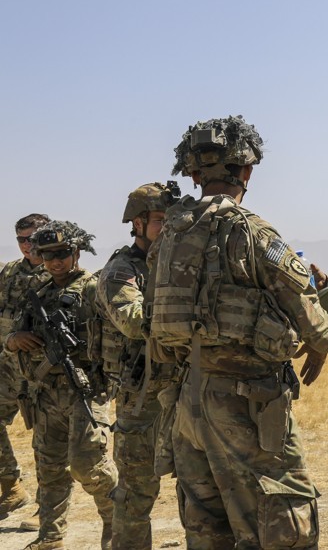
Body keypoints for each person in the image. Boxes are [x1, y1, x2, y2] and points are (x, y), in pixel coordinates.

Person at [148, 115, 328, 549]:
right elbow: (310, 318)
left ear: (193, 173)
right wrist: (323, 343)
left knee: (208, 526)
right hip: (246, 401)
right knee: (279, 517)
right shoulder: (251, 231)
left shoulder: (171, 233)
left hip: (189, 399)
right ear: (247, 171)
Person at [4, 220, 118, 550]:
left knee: (88, 465)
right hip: (44, 394)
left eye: (63, 253)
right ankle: (51, 536)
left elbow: (117, 333)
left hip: (85, 388)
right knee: (49, 469)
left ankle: (114, 519)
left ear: (77, 252)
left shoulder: (93, 288)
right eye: (49, 255)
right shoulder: (36, 295)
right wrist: (15, 340)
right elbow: (11, 337)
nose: (56, 261)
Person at [95, 182, 180, 549]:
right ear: (138, 223)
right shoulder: (121, 270)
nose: (169, 227)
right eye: (161, 220)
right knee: (134, 497)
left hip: (187, 392)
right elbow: (132, 321)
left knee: (203, 489)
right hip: (142, 399)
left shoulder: (182, 265)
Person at [0, 213, 50, 521]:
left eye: (32, 238)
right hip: (7, 365)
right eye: (21, 239)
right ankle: (11, 486)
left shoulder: (58, 272)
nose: (27, 245)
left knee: (45, 438)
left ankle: (47, 506)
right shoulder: (8, 273)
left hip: (41, 370)